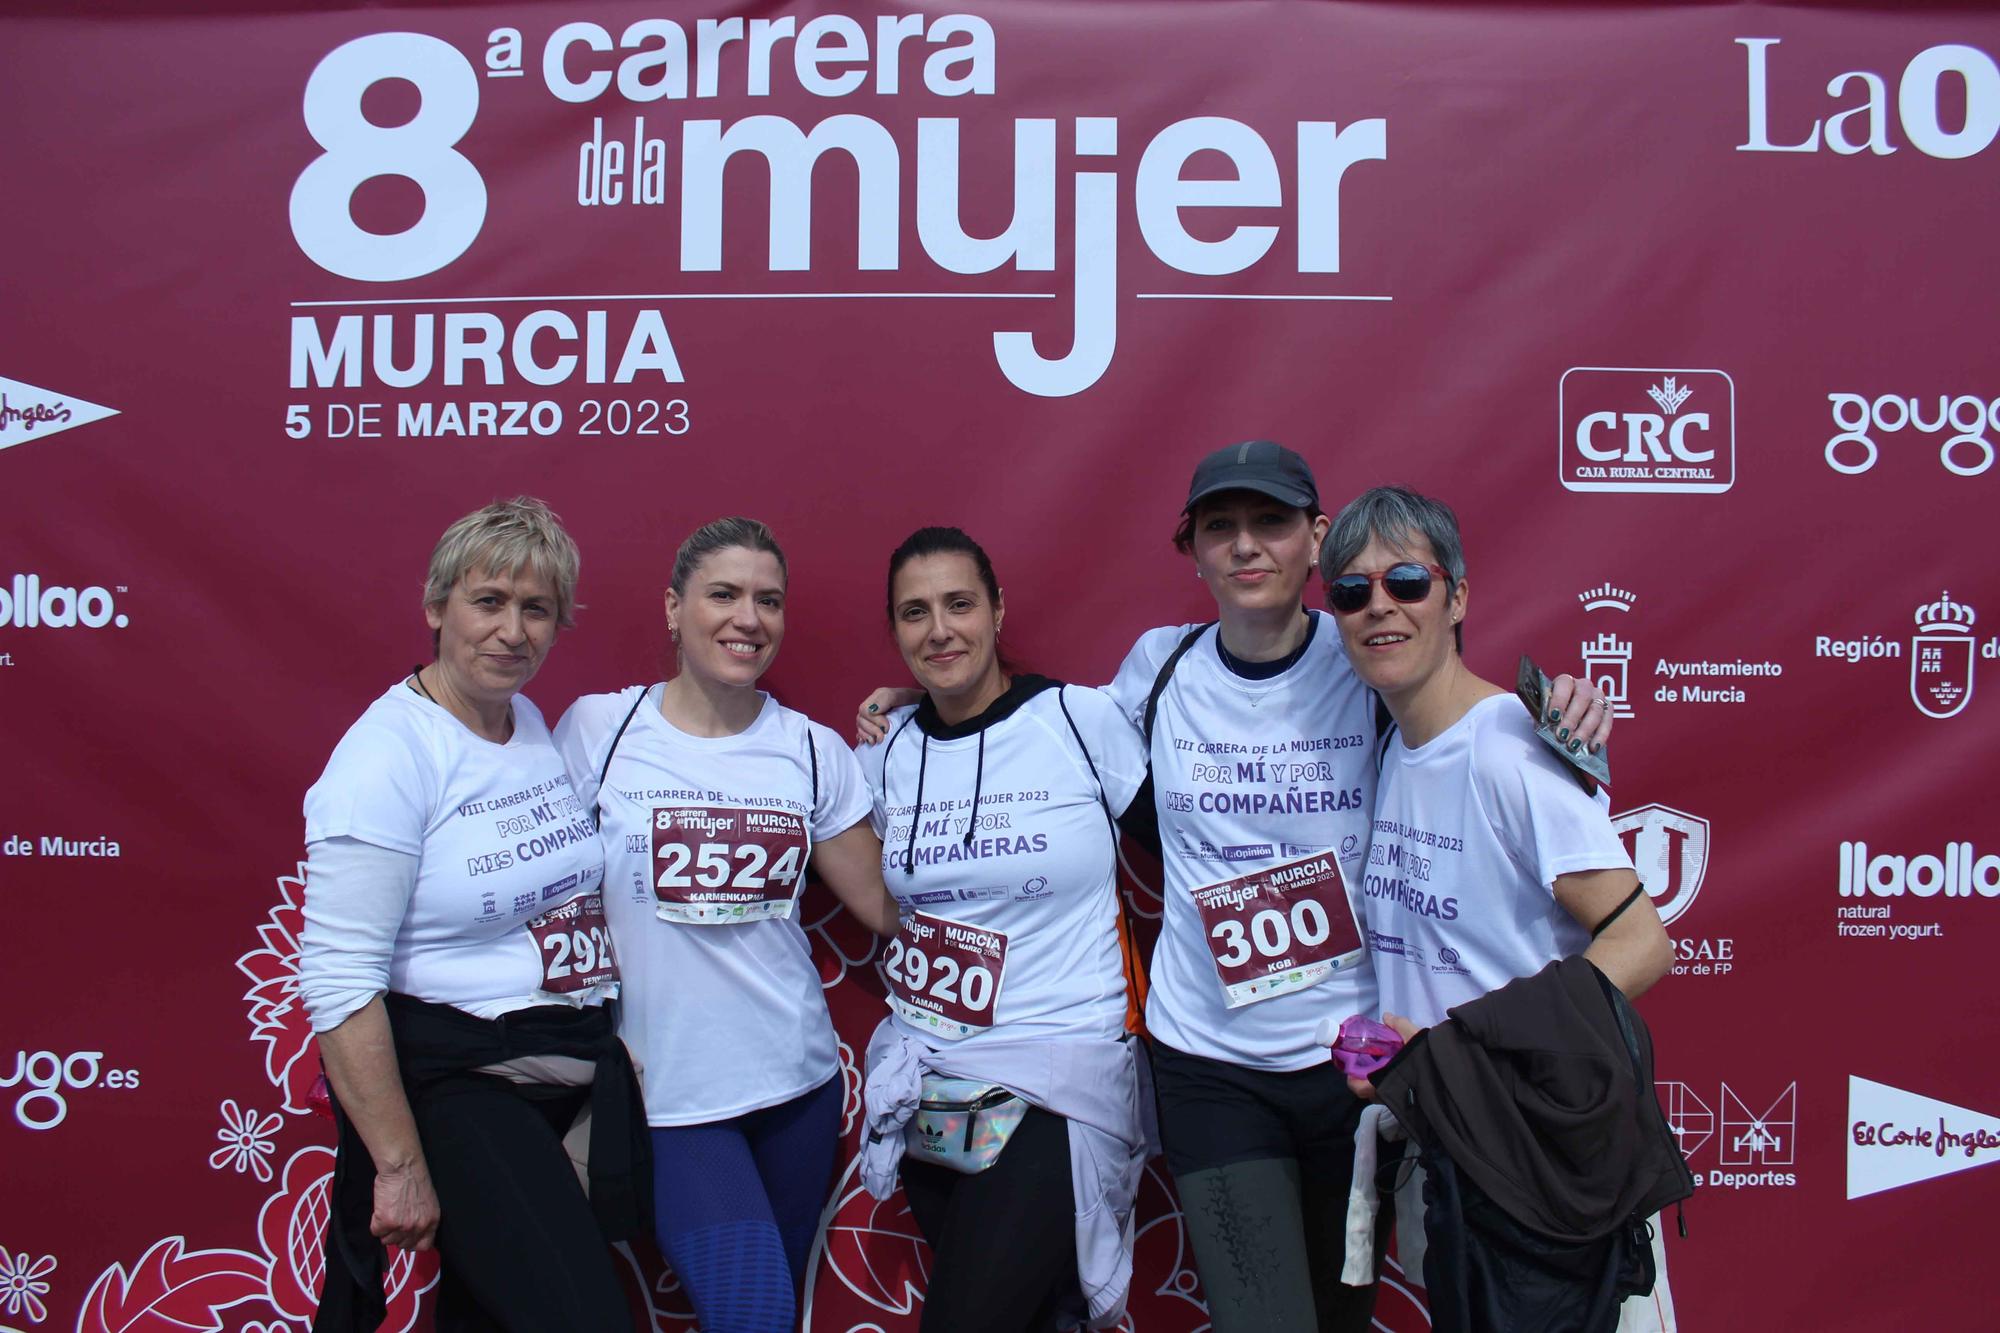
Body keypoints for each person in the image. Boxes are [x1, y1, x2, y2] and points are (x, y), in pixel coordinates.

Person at [856, 442, 1614, 1333]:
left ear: (1316, 539)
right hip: (1208, 1061)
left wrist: (1563, 710)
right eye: (1222, 527)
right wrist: (918, 704)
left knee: (1337, 1318)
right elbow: (1032, 727)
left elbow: (1464, 720)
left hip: (1355, 1065)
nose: (1247, 546)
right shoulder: (1158, 668)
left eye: (1272, 523)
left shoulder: (1368, 650)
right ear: (1193, 547)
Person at [1323, 485, 1681, 1331]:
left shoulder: (1511, 749)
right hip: (1460, 1153)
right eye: (1351, 590)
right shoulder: (1394, 750)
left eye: (1408, 581)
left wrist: (1458, 1050)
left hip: (1552, 1162)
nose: (1380, 605)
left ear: (1458, 598)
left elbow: (1642, 942)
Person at [299, 497, 645, 1333]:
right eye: (488, 602)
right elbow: (340, 981)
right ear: (436, 606)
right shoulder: (387, 755)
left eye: (536, 610)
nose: (513, 631)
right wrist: (398, 1164)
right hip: (462, 1093)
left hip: (562, 1086)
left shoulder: (525, 722)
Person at [554, 516, 901, 1333]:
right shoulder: (596, 733)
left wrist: (924, 711)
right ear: (674, 608)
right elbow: (535, 892)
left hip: (796, 1088)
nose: (749, 617)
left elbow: (885, 906)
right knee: (754, 1314)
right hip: (665, 1094)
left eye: (769, 600)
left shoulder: (810, 748)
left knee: (766, 1315)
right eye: (724, 594)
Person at [853, 527, 1153, 1333]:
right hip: (932, 1080)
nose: (939, 629)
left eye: (958, 604)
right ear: (894, 632)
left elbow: (1192, 848)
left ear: (997, 609)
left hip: (1059, 1074)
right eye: (915, 613)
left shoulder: (1078, 719)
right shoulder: (886, 752)